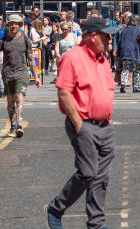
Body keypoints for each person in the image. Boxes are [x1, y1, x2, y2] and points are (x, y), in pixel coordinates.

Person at [47, 16, 115, 229]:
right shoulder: (72, 57)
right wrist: (78, 125)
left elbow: (104, 92)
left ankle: (96, 223)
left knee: (101, 177)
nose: (109, 40)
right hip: (84, 124)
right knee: (87, 172)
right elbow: (64, 93)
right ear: (92, 36)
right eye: (106, 35)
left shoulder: (102, 59)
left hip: (105, 126)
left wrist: (109, 120)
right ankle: (56, 208)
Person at [0, 14, 34, 137]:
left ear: (20, 25)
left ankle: (19, 125)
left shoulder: (26, 40)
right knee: (10, 101)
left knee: (19, 98)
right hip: (8, 74)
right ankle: (12, 126)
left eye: (16, 23)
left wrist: (36, 77)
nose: (13, 25)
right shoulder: (3, 41)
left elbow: (30, 60)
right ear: (8, 25)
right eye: (11, 23)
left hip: (22, 73)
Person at [116, 12, 140, 94]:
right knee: (137, 70)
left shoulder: (124, 30)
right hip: (136, 51)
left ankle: (123, 85)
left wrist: (119, 53)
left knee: (125, 69)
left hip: (125, 52)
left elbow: (120, 42)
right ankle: (135, 87)